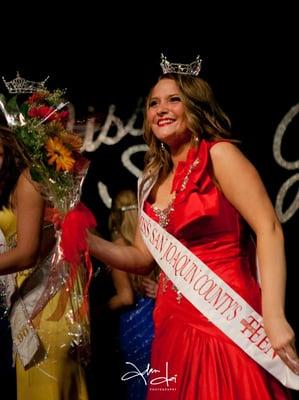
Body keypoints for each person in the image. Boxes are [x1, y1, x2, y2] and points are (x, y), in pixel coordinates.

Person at [87, 54, 299, 399]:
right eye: (154, 103)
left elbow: (269, 229)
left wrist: (274, 315)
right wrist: (84, 239)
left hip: (226, 318)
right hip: (172, 323)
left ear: (195, 106)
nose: (161, 109)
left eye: (174, 99)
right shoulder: (150, 180)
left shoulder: (220, 156)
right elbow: (141, 259)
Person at [0, 126, 89, 400]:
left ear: (8, 148)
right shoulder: (6, 187)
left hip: (46, 303)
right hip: (26, 300)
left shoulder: (27, 180)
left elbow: (27, 252)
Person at [107, 189, 159, 400]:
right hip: (155, 320)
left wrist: (99, 308)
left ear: (115, 215)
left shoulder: (119, 247)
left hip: (134, 325)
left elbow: (126, 297)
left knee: (139, 387)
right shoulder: (150, 240)